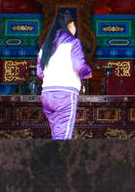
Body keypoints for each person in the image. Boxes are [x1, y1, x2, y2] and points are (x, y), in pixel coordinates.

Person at [36, 9, 93, 140]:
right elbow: (79, 66)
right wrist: (88, 73)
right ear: (70, 25)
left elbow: (40, 72)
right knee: (63, 137)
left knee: (57, 135)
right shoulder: (73, 42)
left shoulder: (46, 46)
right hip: (64, 96)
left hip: (47, 95)